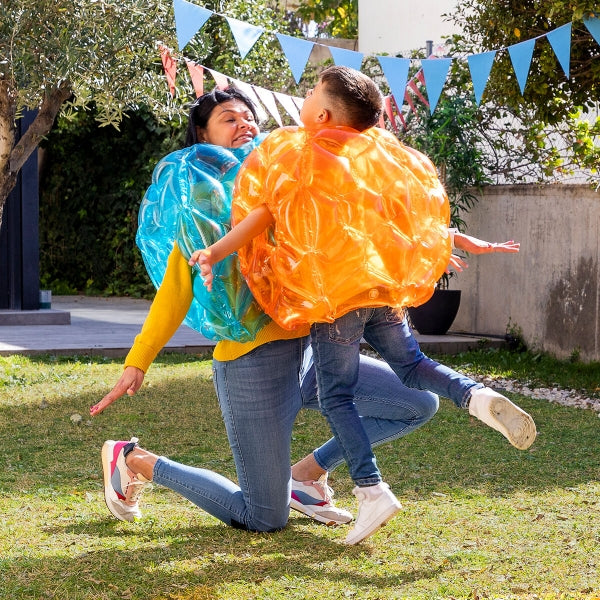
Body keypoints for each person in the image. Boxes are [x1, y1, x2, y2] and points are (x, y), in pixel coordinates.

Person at [92, 85, 532, 545]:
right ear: (203, 136)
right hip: (253, 365)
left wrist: (439, 239)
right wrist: (137, 362)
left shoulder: (289, 171)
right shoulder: (197, 206)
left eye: (248, 116)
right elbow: (174, 291)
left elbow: (368, 214)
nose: (244, 123)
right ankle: (133, 459)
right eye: (228, 118)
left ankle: (307, 475)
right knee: (264, 516)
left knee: (417, 403)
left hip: (311, 352)